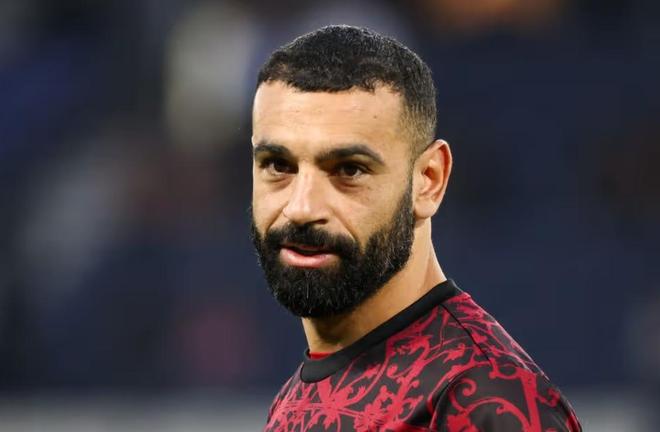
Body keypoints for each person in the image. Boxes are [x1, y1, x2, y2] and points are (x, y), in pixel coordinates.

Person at [250, 25, 581, 432]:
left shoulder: (482, 401)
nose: (301, 208)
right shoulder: (295, 399)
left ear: (428, 180)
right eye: (278, 165)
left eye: (349, 170)